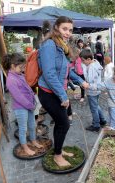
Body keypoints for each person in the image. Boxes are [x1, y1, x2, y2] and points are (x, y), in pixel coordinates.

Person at [37, 16, 88, 167]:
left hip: (57, 91)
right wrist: (63, 95)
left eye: (70, 30)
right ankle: (57, 156)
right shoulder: (49, 45)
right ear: (56, 28)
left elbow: (66, 70)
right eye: (64, 29)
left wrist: (81, 81)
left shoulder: (62, 46)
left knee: (62, 123)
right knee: (64, 124)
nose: (67, 33)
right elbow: (49, 74)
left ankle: (58, 150)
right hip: (48, 93)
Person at [2, 53, 43, 156]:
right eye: (21, 67)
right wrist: (31, 105)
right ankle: (25, 147)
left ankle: (33, 141)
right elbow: (19, 97)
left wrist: (33, 97)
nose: (23, 69)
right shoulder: (11, 80)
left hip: (29, 105)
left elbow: (27, 87)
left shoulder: (19, 75)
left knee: (32, 125)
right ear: (12, 66)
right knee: (23, 128)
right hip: (21, 108)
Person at [80, 49, 107, 132]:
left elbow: (89, 79)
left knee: (93, 108)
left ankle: (96, 125)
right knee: (96, 105)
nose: (82, 62)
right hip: (96, 89)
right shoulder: (95, 63)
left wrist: (84, 68)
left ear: (88, 59)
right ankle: (102, 120)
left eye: (83, 60)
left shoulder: (91, 67)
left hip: (92, 90)